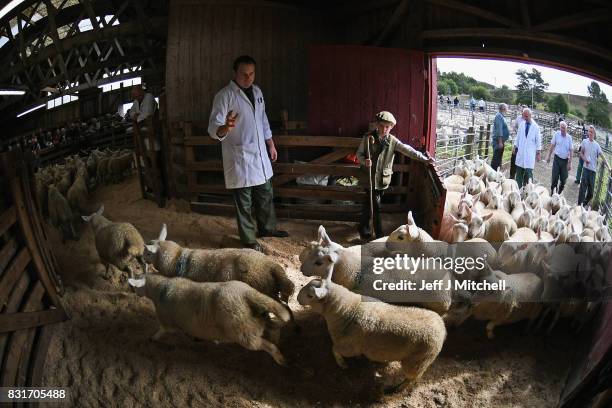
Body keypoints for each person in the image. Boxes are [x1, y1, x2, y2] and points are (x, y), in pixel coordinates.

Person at [208, 55, 288, 252]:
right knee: (244, 202)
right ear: (235, 73)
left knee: (265, 195)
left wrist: (271, 144)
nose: (248, 78)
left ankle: (267, 229)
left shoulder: (258, 91)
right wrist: (225, 127)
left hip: (260, 155)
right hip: (240, 158)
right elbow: (213, 127)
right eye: (244, 74)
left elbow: (263, 120)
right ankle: (249, 239)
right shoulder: (225, 95)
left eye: (252, 73)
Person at [356, 111, 434, 240]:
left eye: (388, 127)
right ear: (377, 125)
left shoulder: (393, 141)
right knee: (375, 206)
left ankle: (363, 227)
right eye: (382, 125)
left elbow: (408, 150)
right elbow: (359, 154)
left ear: (391, 127)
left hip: (382, 180)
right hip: (368, 178)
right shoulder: (368, 138)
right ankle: (378, 233)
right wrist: (364, 161)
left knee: (368, 204)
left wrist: (424, 159)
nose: (384, 129)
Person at [578, 126, 608, 206]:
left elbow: (602, 156)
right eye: (589, 131)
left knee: (591, 193)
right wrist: (585, 160)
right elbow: (581, 153)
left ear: (594, 134)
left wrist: (608, 167)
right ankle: (579, 206)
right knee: (582, 190)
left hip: (593, 171)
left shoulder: (597, 145)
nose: (590, 133)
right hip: (586, 169)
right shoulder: (584, 141)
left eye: (592, 132)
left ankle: (583, 204)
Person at [513, 108, 541, 188]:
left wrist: (538, 153)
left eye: (526, 116)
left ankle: (529, 190)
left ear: (530, 116)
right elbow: (518, 137)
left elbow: (538, 141)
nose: (525, 118)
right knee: (519, 173)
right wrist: (515, 146)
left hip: (530, 154)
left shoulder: (536, 127)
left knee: (529, 174)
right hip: (521, 152)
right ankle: (518, 190)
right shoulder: (521, 124)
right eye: (523, 116)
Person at [546, 121, 573, 194]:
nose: (562, 130)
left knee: (563, 179)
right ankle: (553, 193)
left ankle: (559, 192)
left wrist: (570, 163)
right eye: (561, 128)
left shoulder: (569, 138)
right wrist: (548, 156)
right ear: (560, 128)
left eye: (564, 128)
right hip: (557, 159)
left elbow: (571, 151)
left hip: (565, 161)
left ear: (566, 129)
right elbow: (552, 145)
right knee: (554, 177)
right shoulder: (556, 134)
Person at [490, 103, 509, 171]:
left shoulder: (501, 116)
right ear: (503, 108)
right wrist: (500, 142)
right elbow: (499, 130)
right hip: (498, 141)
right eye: (507, 108)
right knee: (496, 158)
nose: (507, 109)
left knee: (498, 158)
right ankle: (493, 173)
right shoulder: (499, 116)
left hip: (500, 141)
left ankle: (497, 173)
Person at [510, 105, 526, 179]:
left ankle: (520, 177)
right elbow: (515, 126)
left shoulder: (527, 119)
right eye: (521, 111)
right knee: (513, 157)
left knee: (521, 159)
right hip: (517, 140)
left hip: (524, 143)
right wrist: (516, 131)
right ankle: (512, 175)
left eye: (523, 111)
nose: (522, 112)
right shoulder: (518, 118)